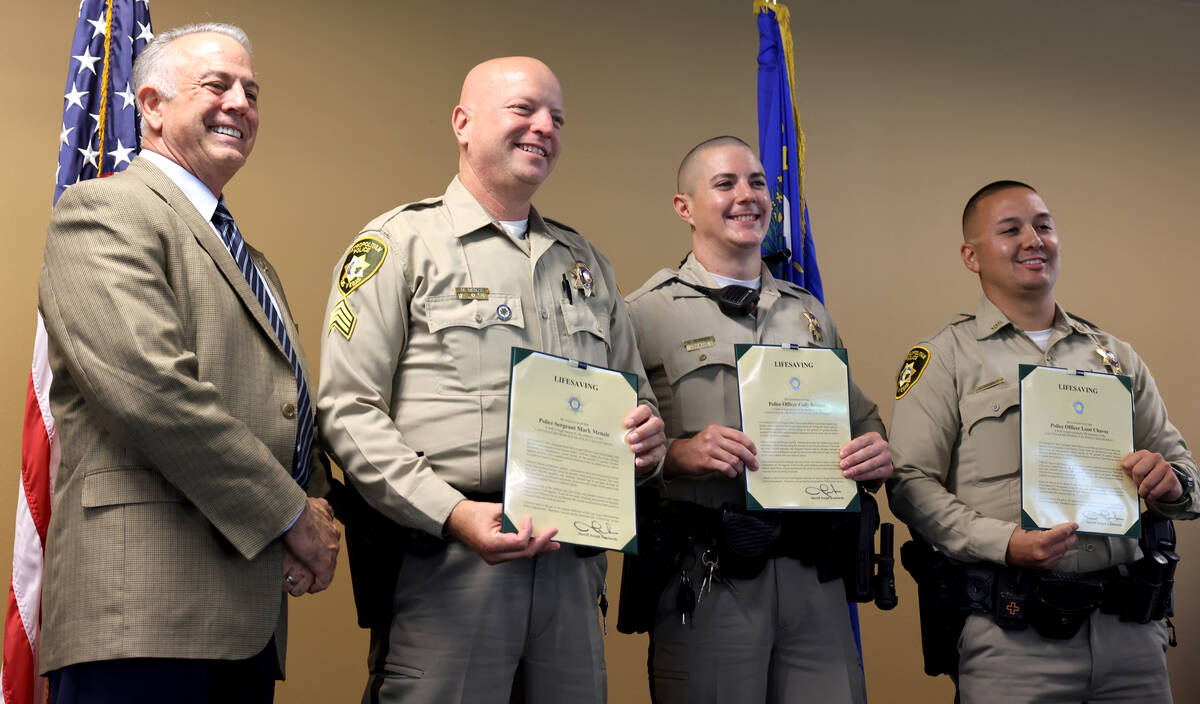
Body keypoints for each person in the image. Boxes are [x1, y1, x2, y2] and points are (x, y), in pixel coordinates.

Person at [316, 56, 666, 704]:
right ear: (463, 122)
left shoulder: (584, 262)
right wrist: (452, 514)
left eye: (556, 117)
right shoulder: (400, 245)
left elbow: (635, 398)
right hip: (448, 561)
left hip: (571, 566)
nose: (544, 128)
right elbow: (348, 411)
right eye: (524, 109)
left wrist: (648, 443)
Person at [36, 23, 340, 704]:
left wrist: (318, 498)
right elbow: (152, 390)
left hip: (244, 621)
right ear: (150, 106)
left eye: (252, 92)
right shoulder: (103, 212)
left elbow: (281, 407)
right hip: (141, 619)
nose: (240, 102)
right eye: (217, 85)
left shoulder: (251, 261)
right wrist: (292, 517)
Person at [887, 180, 1199, 703]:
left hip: (1132, 643)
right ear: (972, 256)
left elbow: (1185, 474)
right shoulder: (945, 359)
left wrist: (1170, 485)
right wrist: (1003, 543)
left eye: (1044, 225)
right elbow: (909, 485)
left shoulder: (1116, 357)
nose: (1034, 239)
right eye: (1011, 229)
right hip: (1013, 639)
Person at [620, 136, 893, 703]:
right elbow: (604, 445)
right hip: (710, 571)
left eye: (758, 183)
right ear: (684, 207)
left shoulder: (809, 313)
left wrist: (874, 449)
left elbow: (861, 419)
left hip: (814, 575)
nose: (747, 196)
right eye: (725, 184)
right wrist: (677, 454)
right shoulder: (642, 315)